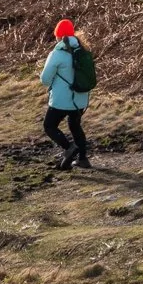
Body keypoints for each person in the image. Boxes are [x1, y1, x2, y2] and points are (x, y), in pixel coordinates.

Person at [39, 18, 92, 171]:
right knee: (75, 126)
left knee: (49, 126)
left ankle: (69, 148)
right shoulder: (83, 51)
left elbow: (45, 80)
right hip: (81, 98)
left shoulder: (57, 54)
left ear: (58, 36)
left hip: (62, 100)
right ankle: (83, 159)